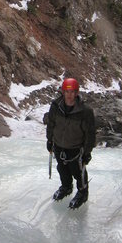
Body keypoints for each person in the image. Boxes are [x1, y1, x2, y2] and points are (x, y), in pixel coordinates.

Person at [46, 78, 96, 209]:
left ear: (77, 93)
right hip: (59, 145)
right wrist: (50, 140)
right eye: (67, 91)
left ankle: (82, 193)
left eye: (72, 92)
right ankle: (66, 187)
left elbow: (90, 133)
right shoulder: (56, 106)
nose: (69, 95)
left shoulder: (85, 111)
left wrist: (87, 152)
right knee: (62, 169)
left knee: (78, 171)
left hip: (75, 147)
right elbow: (51, 124)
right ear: (63, 92)